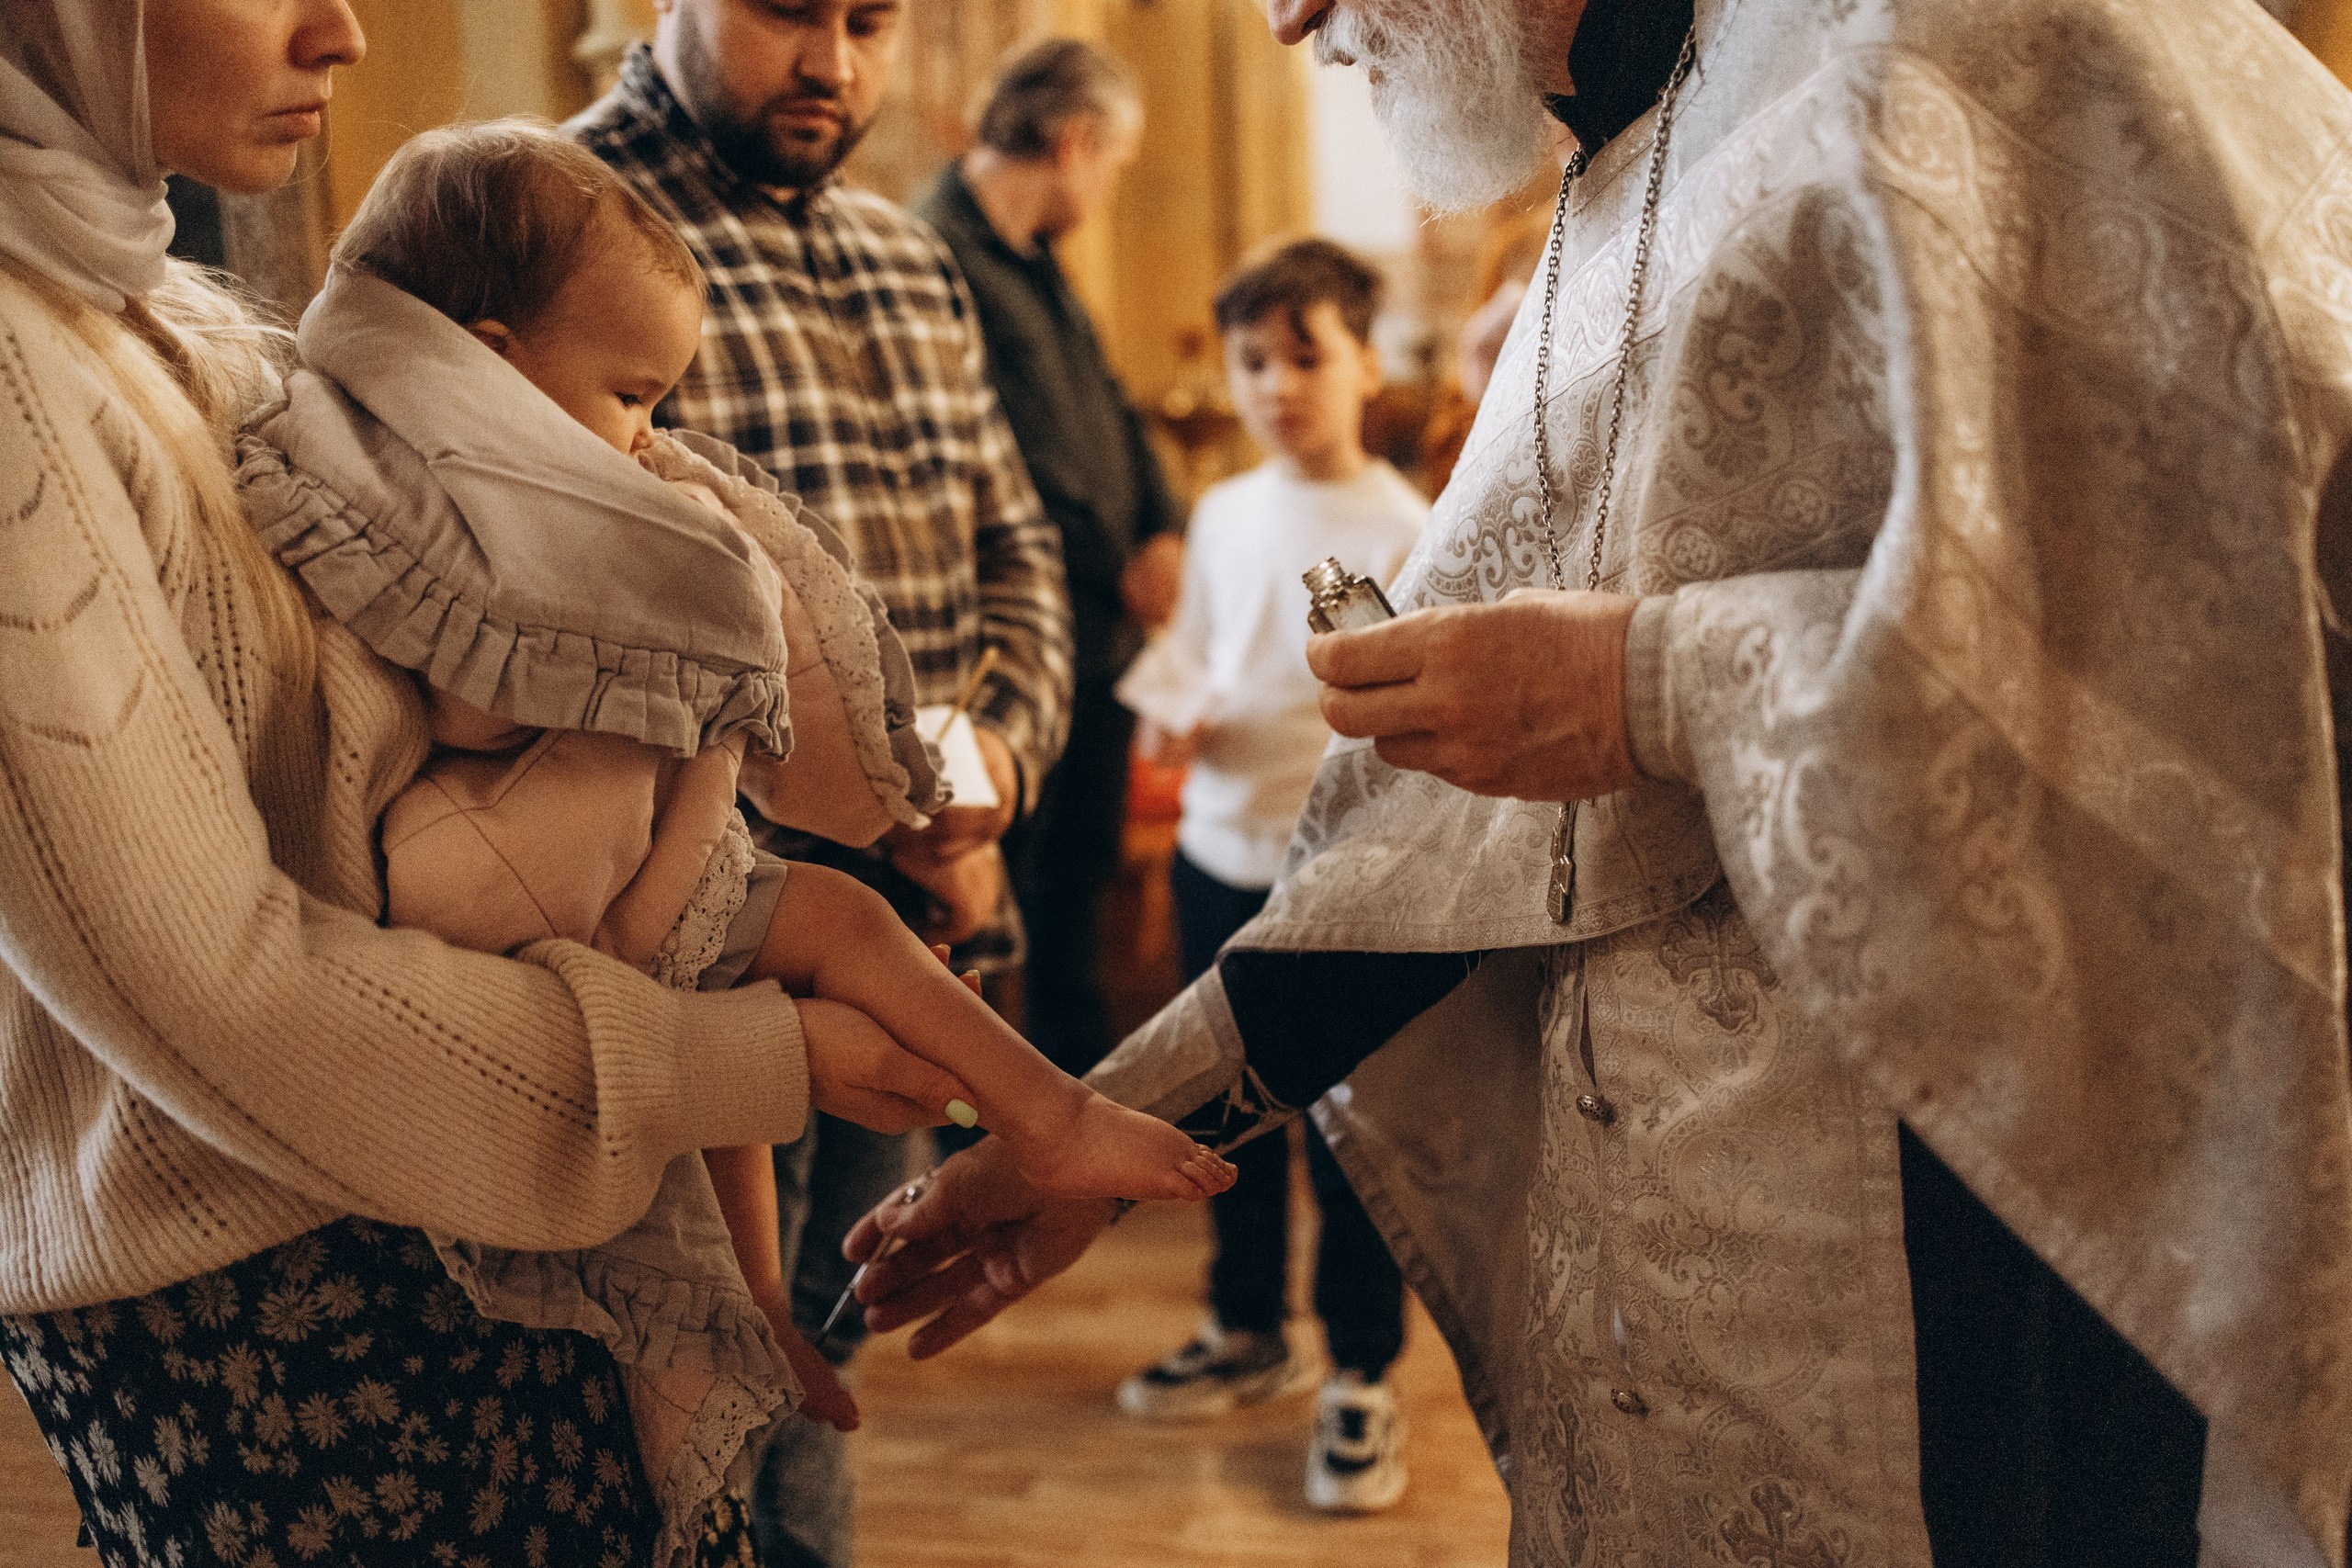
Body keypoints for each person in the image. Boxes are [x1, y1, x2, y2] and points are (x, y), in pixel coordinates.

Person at [844, 2, 2352, 1565]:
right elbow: (1442, 834)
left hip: (1981, 1245)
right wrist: (1100, 1124)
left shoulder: (1983, 41)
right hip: (1664, 1287)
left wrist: (1653, 680)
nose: (1291, 20)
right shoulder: (1610, 182)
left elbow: (2222, 630)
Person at [0, 5, 982, 1566]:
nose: (345, 27)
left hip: (431, 1175)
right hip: (258, 1299)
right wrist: (745, 1053)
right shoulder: (18, 371)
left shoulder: (168, 314)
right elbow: (219, 983)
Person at [243, 118, 1233, 1440]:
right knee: (789, 999)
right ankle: (955, 1168)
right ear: (491, 367)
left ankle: (960, 1172)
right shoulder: (400, 482)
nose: (651, 439)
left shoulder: (558, 448)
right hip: (507, 888)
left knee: (827, 937)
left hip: (634, 853)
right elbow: (472, 696)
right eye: (636, 396)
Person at [571, 5, 1077, 1562]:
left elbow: (1017, 545)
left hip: (919, 926)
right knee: (671, 1377)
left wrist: (993, 753)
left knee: (821, 1353)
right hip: (689, 937)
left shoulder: (904, 249)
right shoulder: (551, 222)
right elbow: (545, 621)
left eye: (872, 20)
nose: (837, 66)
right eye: (792, 10)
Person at [1112, 238, 1428, 1515]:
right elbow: (1188, 657)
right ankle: (1248, 1324)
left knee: (1352, 1129)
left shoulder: (1406, 524)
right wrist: (1164, 722)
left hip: (1339, 868)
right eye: (1254, 360)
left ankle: (1361, 1368)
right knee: (1214, 1116)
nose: (1278, 385)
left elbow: (1407, 706)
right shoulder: (1229, 510)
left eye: (1308, 355)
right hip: (1215, 849)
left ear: (1365, 362)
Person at [912, 38, 1185, 1081]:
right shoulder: (932, 253)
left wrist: (1161, 520)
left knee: (1076, 890)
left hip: (1099, 635)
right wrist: (1120, 556)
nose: (1109, 187)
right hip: (1013, 641)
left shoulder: (1039, 266)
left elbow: (1106, 405)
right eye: (1113, 163)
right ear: (1072, 143)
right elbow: (1000, 452)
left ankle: (1077, 1110)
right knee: (999, 895)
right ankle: (989, 1128)